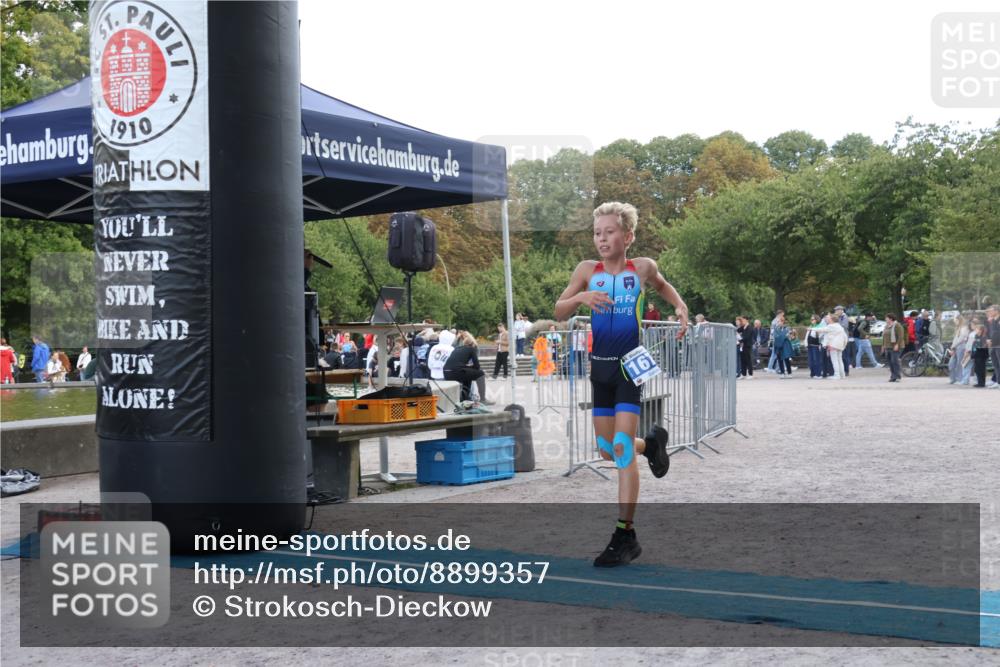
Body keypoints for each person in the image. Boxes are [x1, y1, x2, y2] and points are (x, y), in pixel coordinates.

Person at [554, 201, 689, 567]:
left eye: (609, 232)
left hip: (631, 367)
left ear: (627, 235)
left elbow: (663, 286)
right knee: (606, 449)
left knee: (621, 448)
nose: (602, 239)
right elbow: (559, 309)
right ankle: (653, 444)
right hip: (600, 370)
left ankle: (624, 534)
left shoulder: (642, 267)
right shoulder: (587, 270)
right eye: (597, 233)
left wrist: (680, 307)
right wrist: (581, 297)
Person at [444, 331, 493, 404]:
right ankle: (483, 399)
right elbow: (477, 366)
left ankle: (465, 398)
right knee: (480, 373)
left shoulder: (457, 348)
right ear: (472, 344)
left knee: (468, 374)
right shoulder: (471, 349)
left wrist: (468, 367)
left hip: (446, 371)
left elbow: (455, 362)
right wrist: (471, 366)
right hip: (456, 371)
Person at [819, 313, 848, 379]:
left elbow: (821, 329)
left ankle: (837, 375)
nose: (826, 319)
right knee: (839, 360)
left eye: (828, 318)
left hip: (833, 346)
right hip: (839, 346)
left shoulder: (831, 326)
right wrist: (844, 345)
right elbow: (845, 337)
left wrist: (811, 329)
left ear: (832, 319)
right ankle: (842, 375)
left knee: (835, 360)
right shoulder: (839, 326)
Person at [947, 316, 969, 385]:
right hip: (955, 347)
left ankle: (960, 379)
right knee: (951, 364)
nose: (955, 322)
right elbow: (955, 339)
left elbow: (961, 338)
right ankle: (953, 378)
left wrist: (954, 345)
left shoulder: (964, 328)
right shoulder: (958, 328)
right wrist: (952, 347)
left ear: (960, 320)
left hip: (961, 347)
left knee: (960, 363)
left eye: (956, 320)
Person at [884, 313, 905, 382]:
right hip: (888, 346)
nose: (885, 319)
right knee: (890, 362)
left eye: (886, 318)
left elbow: (901, 336)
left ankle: (897, 376)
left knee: (894, 361)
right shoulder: (886, 326)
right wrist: (883, 345)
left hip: (896, 346)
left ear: (890, 319)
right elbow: (884, 336)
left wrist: (897, 344)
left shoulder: (897, 325)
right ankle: (893, 376)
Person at [986, 305, 1000, 388]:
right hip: (993, 345)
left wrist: (992, 340)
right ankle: (998, 382)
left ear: (997, 311)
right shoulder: (993, 321)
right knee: (996, 365)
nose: (989, 312)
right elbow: (991, 333)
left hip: (998, 345)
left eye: (991, 310)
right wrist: (988, 340)